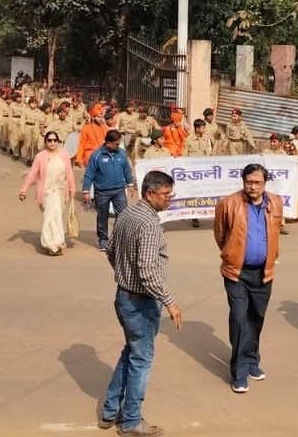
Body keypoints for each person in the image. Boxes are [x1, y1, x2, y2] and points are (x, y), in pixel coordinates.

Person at [99, 170, 182, 437]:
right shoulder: (147, 223)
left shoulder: (127, 214)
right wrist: (170, 302)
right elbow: (147, 270)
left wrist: (124, 274)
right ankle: (131, 420)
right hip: (140, 303)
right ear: (150, 194)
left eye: (171, 194)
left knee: (131, 353)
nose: (169, 199)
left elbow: (111, 251)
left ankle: (111, 410)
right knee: (141, 360)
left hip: (124, 296)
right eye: (166, 195)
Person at [213, 164, 283, 393]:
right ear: (243, 182)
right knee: (240, 320)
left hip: (264, 274)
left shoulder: (274, 203)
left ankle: (253, 360)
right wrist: (233, 255)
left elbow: (274, 233)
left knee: (256, 318)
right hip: (237, 274)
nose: (253, 186)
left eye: (258, 182)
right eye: (249, 182)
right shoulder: (229, 204)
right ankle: (239, 371)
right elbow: (220, 235)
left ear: (265, 183)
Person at [19, 131, 76, 256]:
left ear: (58, 142)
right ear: (45, 142)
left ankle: (57, 242)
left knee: (57, 217)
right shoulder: (40, 156)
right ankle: (51, 244)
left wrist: (72, 189)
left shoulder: (64, 155)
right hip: (46, 193)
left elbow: (69, 173)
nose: (52, 143)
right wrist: (24, 190)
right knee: (50, 217)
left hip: (61, 192)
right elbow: (32, 174)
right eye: (49, 140)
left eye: (55, 140)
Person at [83, 130, 137, 252]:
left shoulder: (121, 154)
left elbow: (127, 170)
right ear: (108, 143)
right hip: (102, 192)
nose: (118, 146)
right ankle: (103, 240)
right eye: (116, 144)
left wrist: (130, 184)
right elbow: (89, 174)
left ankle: (119, 238)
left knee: (123, 215)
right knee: (103, 216)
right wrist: (86, 191)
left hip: (119, 190)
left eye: (119, 144)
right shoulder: (96, 155)